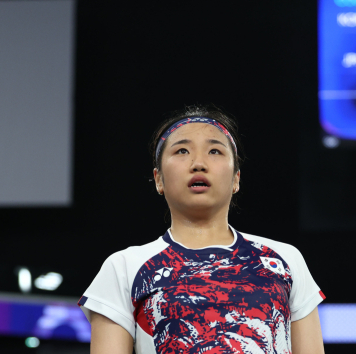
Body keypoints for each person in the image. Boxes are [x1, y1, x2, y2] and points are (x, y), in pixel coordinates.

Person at [78, 105, 325, 354]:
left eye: (215, 151)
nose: (198, 163)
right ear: (159, 179)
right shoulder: (123, 267)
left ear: (236, 179)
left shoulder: (284, 260)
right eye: (182, 150)